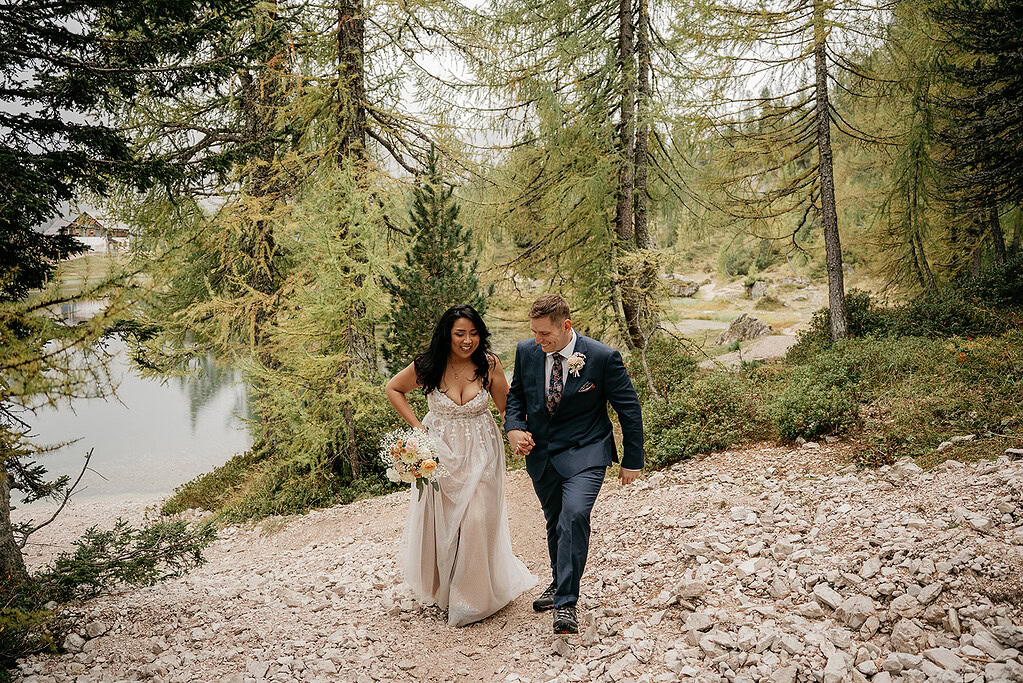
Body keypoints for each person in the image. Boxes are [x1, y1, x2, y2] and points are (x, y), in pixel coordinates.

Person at [385, 304, 537, 626]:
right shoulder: (428, 365)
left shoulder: (489, 364)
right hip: (440, 452)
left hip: (483, 450)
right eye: (460, 334)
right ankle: (448, 589)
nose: (468, 341)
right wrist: (417, 428)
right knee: (444, 523)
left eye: (473, 333)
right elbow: (393, 389)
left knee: (477, 517)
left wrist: (517, 434)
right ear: (447, 335)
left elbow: (506, 407)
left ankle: (474, 599)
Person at [505, 294, 644, 634]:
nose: (538, 342)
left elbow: (629, 410)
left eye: (545, 335)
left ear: (566, 326)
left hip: (588, 451)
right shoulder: (526, 352)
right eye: (534, 333)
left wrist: (632, 460)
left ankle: (566, 603)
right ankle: (558, 581)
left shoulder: (601, 357)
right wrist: (513, 429)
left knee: (575, 514)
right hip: (542, 455)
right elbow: (516, 396)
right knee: (555, 521)